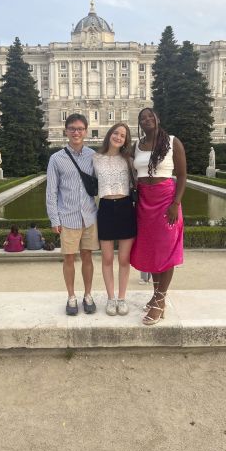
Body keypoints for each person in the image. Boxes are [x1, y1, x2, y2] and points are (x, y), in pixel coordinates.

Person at [130, 108, 187, 325]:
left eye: (150, 116)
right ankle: (156, 296)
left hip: (166, 201)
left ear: (157, 118)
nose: (146, 120)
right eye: (142, 118)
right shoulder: (137, 145)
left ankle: (160, 300)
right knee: (153, 251)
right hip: (145, 202)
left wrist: (176, 204)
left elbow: (182, 175)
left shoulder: (173, 142)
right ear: (140, 123)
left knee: (166, 249)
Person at [46, 113, 99, 316]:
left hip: (89, 216)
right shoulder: (56, 159)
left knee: (87, 257)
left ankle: (87, 295)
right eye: (72, 129)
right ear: (66, 131)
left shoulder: (93, 156)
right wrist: (54, 218)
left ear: (85, 131)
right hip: (67, 217)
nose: (76, 132)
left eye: (80, 129)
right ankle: (71, 296)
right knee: (69, 259)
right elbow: (51, 190)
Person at [93, 123, 137, 316]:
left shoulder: (129, 159)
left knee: (124, 259)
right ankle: (111, 298)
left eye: (123, 135)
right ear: (110, 134)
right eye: (116, 133)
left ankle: (122, 297)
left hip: (126, 207)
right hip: (105, 208)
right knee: (107, 258)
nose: (118, 137)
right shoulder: (95, 158)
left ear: (126, 140)